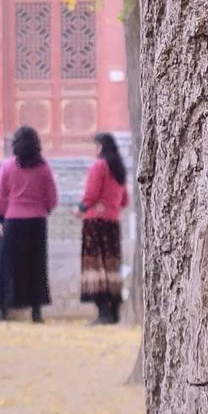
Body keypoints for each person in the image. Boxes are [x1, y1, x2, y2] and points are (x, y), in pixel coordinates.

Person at [0, 125, 58, 323]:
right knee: (36, 266)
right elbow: (52, 197)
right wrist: (43, 209)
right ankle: (36, 311)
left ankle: (3, 308)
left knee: (9, 266)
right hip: (37, 222)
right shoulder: (44, 168)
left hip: (13, 221)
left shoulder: (7, 167)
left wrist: (0, 217)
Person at [76, 132, 129, 325]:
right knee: (111, 266)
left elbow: (90, 194)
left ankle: (103, 313)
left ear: (100, 146)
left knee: (96, 265)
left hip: (95, 222)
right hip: (113, 222)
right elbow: (125, 200)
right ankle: (114, 313)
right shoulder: (119, 169)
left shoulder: (99, 166)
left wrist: (80, 208)